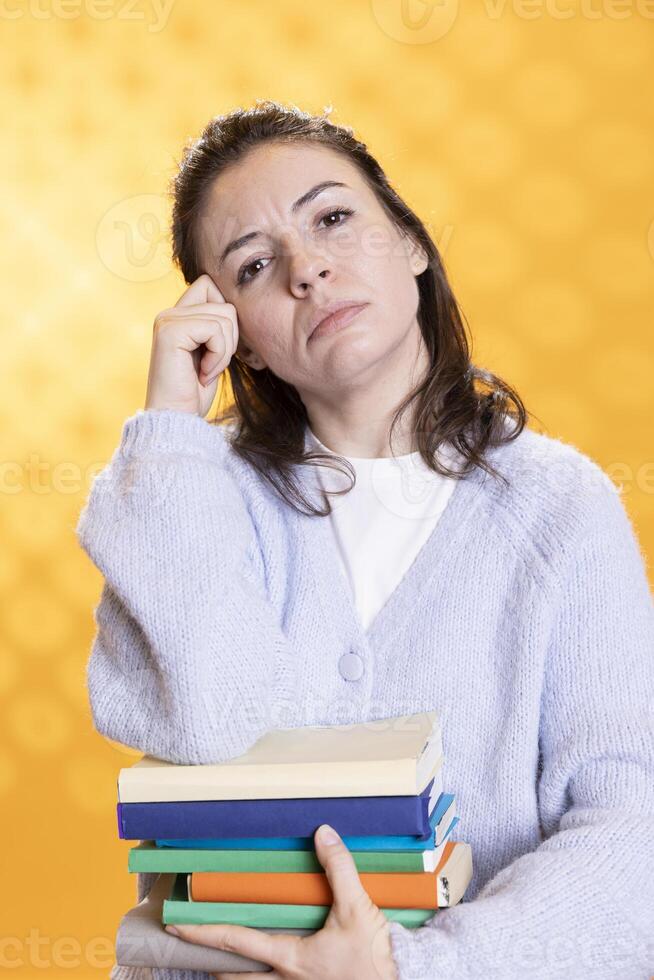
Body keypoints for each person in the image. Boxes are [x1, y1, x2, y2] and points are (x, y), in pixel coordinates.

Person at [76, 101, 654, 980]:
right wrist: (170, 431)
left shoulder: (560, 509)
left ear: (413, 245)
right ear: (243, 344)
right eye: (256, 264)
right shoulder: (189, 496)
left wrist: (411, 970)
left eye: (334, 218)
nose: (307, 269)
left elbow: (631, 836)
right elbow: (207, 717)